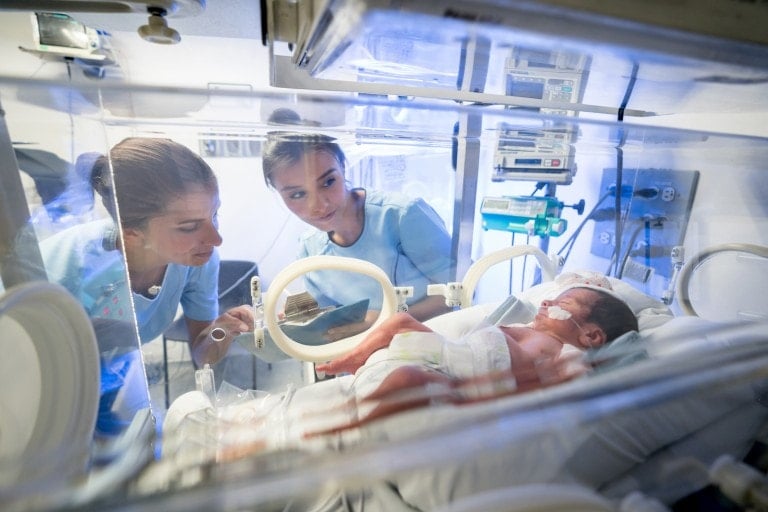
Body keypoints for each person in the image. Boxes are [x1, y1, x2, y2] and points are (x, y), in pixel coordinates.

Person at [41, 137, 253, 433]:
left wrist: (223, 328)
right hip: (36, 371)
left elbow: (201, 352)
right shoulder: (65, 270)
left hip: (114, 366)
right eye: (189, 227)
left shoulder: (196, 262)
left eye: (213, 215)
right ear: (131, 235)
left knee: (135, 448)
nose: (216, 238)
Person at [314, 283, 639, 429]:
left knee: (408, 380)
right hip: (456, 355)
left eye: (562, 305)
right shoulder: (525, 324)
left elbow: (573, 388)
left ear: (591, 335)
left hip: (471, 382)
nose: (545, 303)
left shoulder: (567, 351)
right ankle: (352, 359)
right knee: (400, 321)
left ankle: (352, 430)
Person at [261, 131, 454, 335]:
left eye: (328, 182)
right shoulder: (310, 248)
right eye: (297, 194)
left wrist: (383, 321)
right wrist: (292, 314)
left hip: (431, 341)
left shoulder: (401, 216)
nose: (319, 205)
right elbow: (325, 309)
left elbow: (458, 293)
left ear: (343, 168)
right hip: (367, 354)